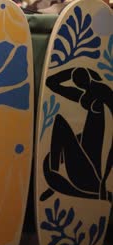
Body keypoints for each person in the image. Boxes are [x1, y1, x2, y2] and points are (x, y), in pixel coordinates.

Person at [41, 67, 112, 202]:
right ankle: (55, 180)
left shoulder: (99, 102)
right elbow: (51, 83)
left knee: (59, 123)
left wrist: (105, 180)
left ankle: (55, 178)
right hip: (85, 169)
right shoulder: (89, 98)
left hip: (89, 176)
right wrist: (76, 70)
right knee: (60, 129)